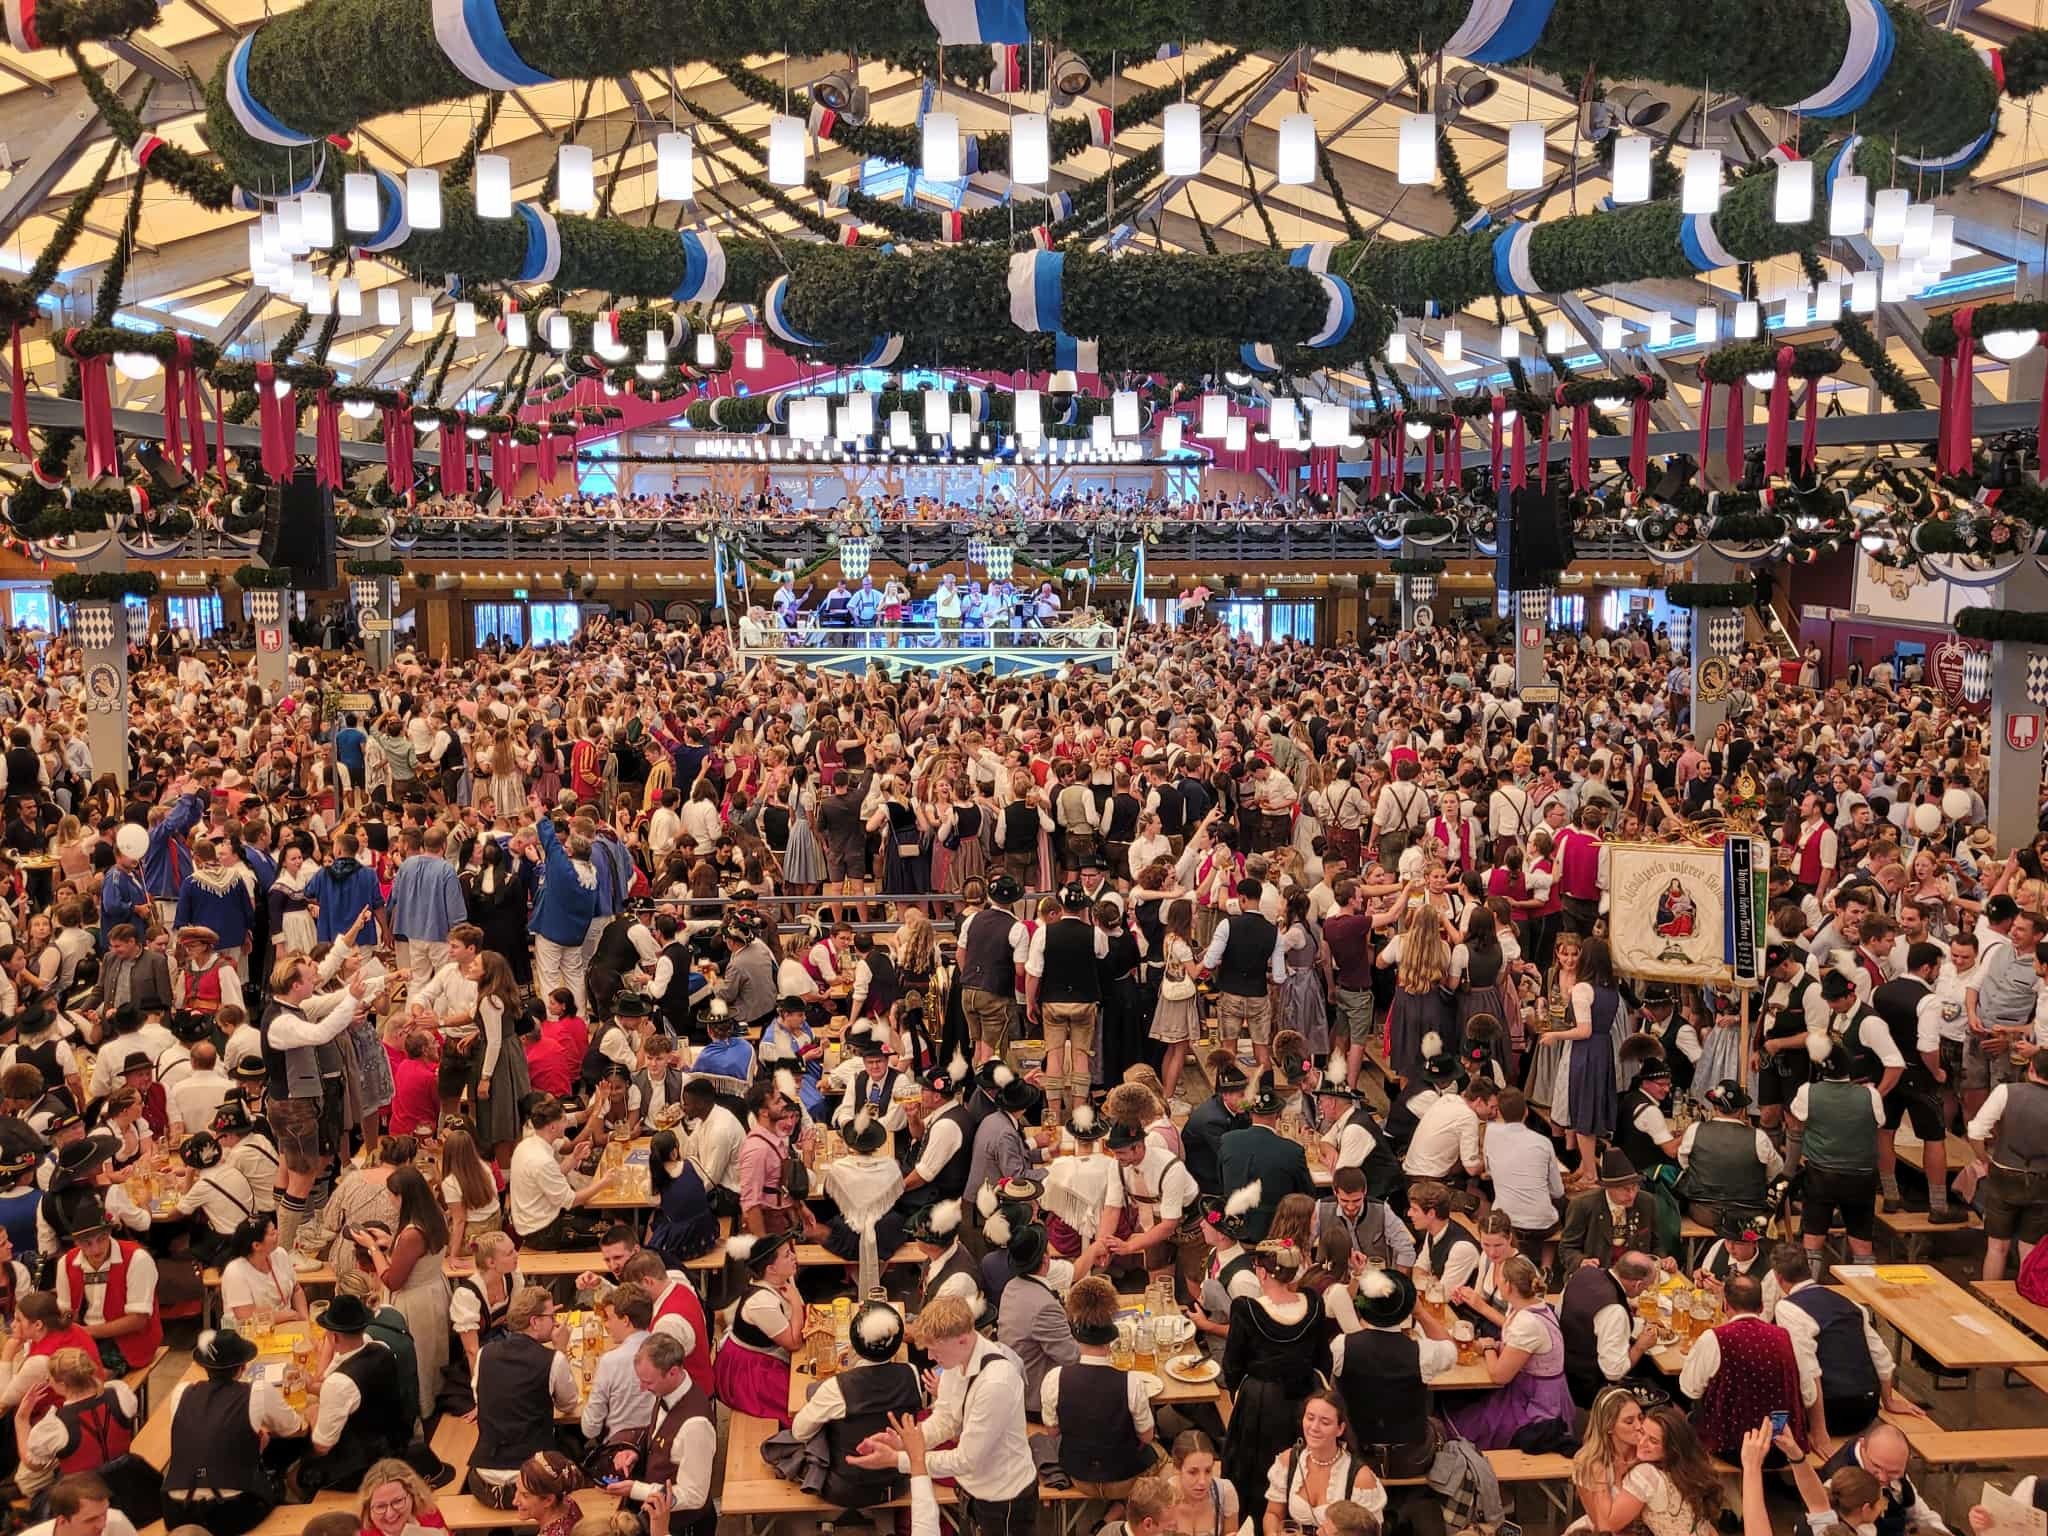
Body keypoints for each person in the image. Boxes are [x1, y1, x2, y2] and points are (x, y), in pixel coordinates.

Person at [846, 1294, 1037, 1536]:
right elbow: (946, 1419)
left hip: (1004, 1499)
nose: (929, 1358)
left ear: (962, 1339)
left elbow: (965, 1460)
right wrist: (907, 1442)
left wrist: (901, 1459)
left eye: (935, 1350)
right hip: (973, 1490)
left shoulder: (996, 1384)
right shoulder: (956, 1361)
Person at [1768, 1243, 1919, 1444]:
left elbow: (1808, 1370)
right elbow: (1882, 1357)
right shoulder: (1850, 1304)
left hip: (1833, 1414)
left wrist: (1819, 1431)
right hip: (1868, 1408)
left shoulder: (1787, 1308)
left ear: (1778, 1278)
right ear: (1808, 1269)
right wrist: (1888, 1401)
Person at [158, 1325, 295, 1534]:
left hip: (176, 1512)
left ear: (204, 1367)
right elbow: (292, 1428)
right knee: (279, 1458)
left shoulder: (181, 1391)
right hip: (231, 1512)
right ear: (243, 1366)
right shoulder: (257, 1390)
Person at [1219, 1239, 1325, 1509]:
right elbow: (1323, 1357)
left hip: (1261, 1403)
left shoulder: (1246, 1309)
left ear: (1263, 1273)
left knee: (1257, 1472)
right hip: (1305, 1398)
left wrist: (1240, 1396)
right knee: (1301, 1465)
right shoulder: (1313, 1303)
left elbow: (1232, 1366)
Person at [788, 1299, 922, 1511]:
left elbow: (799, 1432)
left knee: (812, 1428)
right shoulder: (911, 1373)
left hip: (845, 1489)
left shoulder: (837, 1387)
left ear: (854, 1342)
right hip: (898, 1483)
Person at [1041, 1275, 1160, 1497]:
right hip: (1125, 1479)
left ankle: (1111, 1516)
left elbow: (1053, 1431)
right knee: (1164, 1455)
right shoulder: (1132, 1382)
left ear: (1075, 1334)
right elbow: (1146, 1437)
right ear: (1111, 1336)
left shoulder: (1054, 1379)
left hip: (1079, 1476)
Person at [1441, 1254, 1573, 1452]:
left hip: (1538, 1405)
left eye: (1499, 1278)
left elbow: (1499, 1375)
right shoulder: (1531, 1307)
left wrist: (1487, 1348)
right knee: (1460, 1403)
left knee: (1462, 1419)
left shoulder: (1528, 1323)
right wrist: (1491, 1346)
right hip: (1527, 1391)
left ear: (1509, 1285)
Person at [1328, 1266, 1445, 1476]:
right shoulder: (1424, 1353)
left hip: (1357, 1457)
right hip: (1411, 1460)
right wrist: (1420, 1312)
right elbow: (1449, 1347)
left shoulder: (1341, 1346)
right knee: (1436, 1422)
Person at [1677, 1271, 1806, 1461]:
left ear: (1725, 1305)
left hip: (1729, 1448)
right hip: (1783, 1448)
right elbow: (1808, 1394)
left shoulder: (1715, 1338)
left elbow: (1690, 1389)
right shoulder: (1787, 1337)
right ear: (1762, 1306)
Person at [469, 1285, 580, 1505]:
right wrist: (561, 1350)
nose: (556, 1322)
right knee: (575, 1452)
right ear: (535, 1321)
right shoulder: (552, 1359)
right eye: (551, 1316)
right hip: (532, 1482)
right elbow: (569, 1404)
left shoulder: (485, 1354)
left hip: (484, 1482)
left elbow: (478, 1397)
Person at [292, 1293, 408, 1496]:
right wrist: (313, 1388)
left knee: (293, 1475)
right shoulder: (381, 1349)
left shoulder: (339, 1384)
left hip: (360, 1468)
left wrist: (312, 1414)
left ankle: (310, 1509)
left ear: (334, 1336)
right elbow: (353, 1391)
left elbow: (322, 1446)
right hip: (393, 1446)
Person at [1789, 1032, 1885, 1266]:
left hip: (1821, 1174)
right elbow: (1879, 1122)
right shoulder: (1870, 1095)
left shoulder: (1807, 1092)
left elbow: (1796, 1121)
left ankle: (1808, 1292)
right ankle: (1867, 1295)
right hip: (1861, 1175)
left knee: (1813, 1238)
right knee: (1861, 1241)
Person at [610, 1333, 715, 1536]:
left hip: (682, 1527)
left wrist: (636, 1490)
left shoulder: (696, 1425)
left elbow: (694, 1496)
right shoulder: (667, 1391)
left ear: (673, 1373)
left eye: (648, 1382)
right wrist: (635, 1452)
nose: (642, 1388)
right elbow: (659, 1433)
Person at [1966, 1045, 2048, 1282]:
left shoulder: (2006, 1091)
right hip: (2043, 1180)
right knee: (2030, 1249)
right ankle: (2025, 1308)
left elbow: (1975, 1131)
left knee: (1996, 1247)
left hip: (2004, 1173)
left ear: (2031, 1068)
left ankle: (1990, 1305)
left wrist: (1984, 1159)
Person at [1260, 1389, 1384, 1536]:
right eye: (1310, 1418)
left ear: (1340, 1429)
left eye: (1325, 1422)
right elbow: (1273, 1514)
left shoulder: (1361, 1479)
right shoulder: (1288, 1460)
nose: (1314, 1428)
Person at [712, 1230, 804, 1425]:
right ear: (771, 1269)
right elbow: (794, 1343)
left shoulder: (782, 1280)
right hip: (750, 1370)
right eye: (787, 1255)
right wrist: (796, 1304)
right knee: (800, 1403)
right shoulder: (762, 1302)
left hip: (765, 1355)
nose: (794, 1257)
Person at [509, 1093, 620, 1249]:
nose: (566, 1123)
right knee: (616, 1232)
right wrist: (603, 1183)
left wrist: (574, 1157)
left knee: (599, 1210)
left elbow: (554, 1175)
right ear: (553, 1127)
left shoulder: (529, 1144)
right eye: (563, 1120)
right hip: (542, 1231)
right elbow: (571, 1201)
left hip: (534, 1220)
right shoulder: (541, 1160)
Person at [1217, 1076, 1315, 1243]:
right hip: (1276, 1230)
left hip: (1234, 1225)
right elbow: (1307, 1194)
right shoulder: (1292, 1151)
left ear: (1250, 1113)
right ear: (1278, 1115)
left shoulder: (1228, 1140)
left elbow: (1220, 1179)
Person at [1559, 1249, 1659, 1409]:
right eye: (1645, 1287)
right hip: (1591, 1391)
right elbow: (1613, 1372)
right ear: (1638, 1284)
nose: (1645, 1291)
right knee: (1659, 1378)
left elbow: (1562, 1311)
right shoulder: (1614, 1310)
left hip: (1565, 1371)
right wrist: (1641, 1346)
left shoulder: (1583, 1273)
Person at [1675, 1080, 1781, 1230]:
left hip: (1703, 1213)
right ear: (1741, 1109)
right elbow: (1775, 1173)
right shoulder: (1759, 1136)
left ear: (1714, 1106)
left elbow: (1685, 1164)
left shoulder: (1694, 1129)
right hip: (1747, 1216)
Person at [1819, 1423, 1951, 1536]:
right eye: (1876, 1466)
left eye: (1893, 1472)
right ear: (1863, 1446)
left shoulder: (1889, 1462)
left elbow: (1920, 1513)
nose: (1882, 1478)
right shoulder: (1838, 1482)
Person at [1557, 1149, 1659, 1274]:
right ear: (1608, 1187)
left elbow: (1656, 1242)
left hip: (1635, 1275)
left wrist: (1663, 1259)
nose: (1631, 1194)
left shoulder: (1647, 1202)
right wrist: (1581, 1261)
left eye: (1635, 1187)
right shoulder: (1582, 1205)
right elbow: (1567, 1248)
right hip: (1597, 1274)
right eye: (1625, 1189)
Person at [218, 1211, 305, 1322]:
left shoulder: (280, 1254)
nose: (278, 1234)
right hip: (249, 1333)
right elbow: (246, 1317)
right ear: (256, 1245)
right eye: (272, 1233)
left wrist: (305, 1321)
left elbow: (297, 1290)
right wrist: (291, 1316)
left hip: (287, 1329)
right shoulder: (235, 1272)